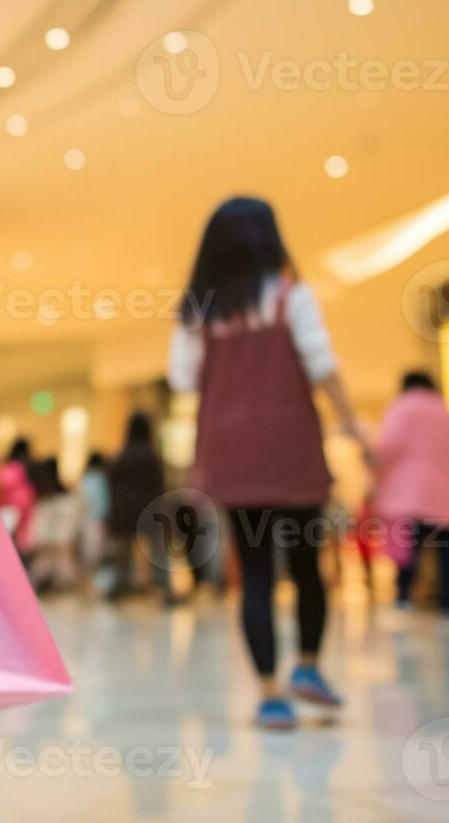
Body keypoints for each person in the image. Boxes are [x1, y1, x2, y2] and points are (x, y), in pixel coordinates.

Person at [168, 197, 372, 730]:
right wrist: (352, 426)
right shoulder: (291, 297)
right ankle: (308, 665)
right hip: (291, 448)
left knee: (254, 571)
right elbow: (323, 365)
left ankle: (268, 693)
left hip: (230, 453)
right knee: (307, 564)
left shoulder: (198, 312)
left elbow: (183, 380)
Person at [374, 372, 449, 614]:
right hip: (447, 496)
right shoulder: (446, 412)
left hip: (412, 494)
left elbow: (386, 446)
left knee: (408, 551)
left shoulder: (402, 407)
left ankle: (404, 597)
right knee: (446, 550)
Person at [105, 411, 171, 604]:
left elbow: (112, 485)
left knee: (122, 553)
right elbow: (159, 487)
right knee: (158, 551)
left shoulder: (120, 456)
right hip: (148, 509)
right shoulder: (151, 456)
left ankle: (120, 585)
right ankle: (166, 589)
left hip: (123, 511)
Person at [28, 457, 83, 594]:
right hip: (62, 536)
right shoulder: (64, 493)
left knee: (44, 562)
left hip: (47, 536)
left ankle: (44, 583)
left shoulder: (43, 493)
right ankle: (57, 584)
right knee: (61, 564)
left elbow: (41, 519)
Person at [0, 438, 38, 561]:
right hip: (25, 505)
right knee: (21, 537)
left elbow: (2, 483)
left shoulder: (8, 466)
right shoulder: (28, 467)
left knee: (8, 538)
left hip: (10, 506)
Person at [78, 452, 111, 578]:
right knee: (99, 555)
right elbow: (103, 502)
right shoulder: (101, 479)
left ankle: (89, 584)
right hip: (98, 520)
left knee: (88, 556)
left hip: (85, 521)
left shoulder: (84, 479)